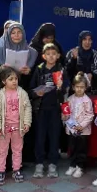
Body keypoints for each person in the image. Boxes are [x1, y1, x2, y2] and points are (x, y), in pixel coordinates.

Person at [0, 67, 31, 185]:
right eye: (11, 79)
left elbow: (27, 108)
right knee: (2, 150)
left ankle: (16, 169)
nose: (14, 81)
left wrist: (27, 123)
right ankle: (1, 171)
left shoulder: (22, 93)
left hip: (18, 128)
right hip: (4, 128)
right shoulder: (0, 95)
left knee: (17, 149)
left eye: (16, 79)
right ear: (4, 81)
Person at [31, 44, 65, 178]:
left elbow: (66, 90)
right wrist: (36, 93)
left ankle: (53, 164)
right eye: (48, 54)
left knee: (54, 136)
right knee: (40, 137)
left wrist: (61, 87)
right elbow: (31, 89)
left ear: (58, 56)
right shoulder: (39, 69)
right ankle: (39, 164)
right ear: (43, 56)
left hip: (55, 109)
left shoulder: (61, 69)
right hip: (41, 109)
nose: (51, 56)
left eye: (53, 53)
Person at [64, 74, 94, 179]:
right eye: (77, 87)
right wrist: (64, 117)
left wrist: (81, 125)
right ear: (73, 87)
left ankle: (80, 167)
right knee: (72, 147)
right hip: (71, 129)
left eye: (82, 87)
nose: (79, 89)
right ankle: (72, 165)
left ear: (85, 88)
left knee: (81, 149)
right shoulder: (70, 99)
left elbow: (90, 115)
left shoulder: (87, 100)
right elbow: (66, 113)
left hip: (82, 130)